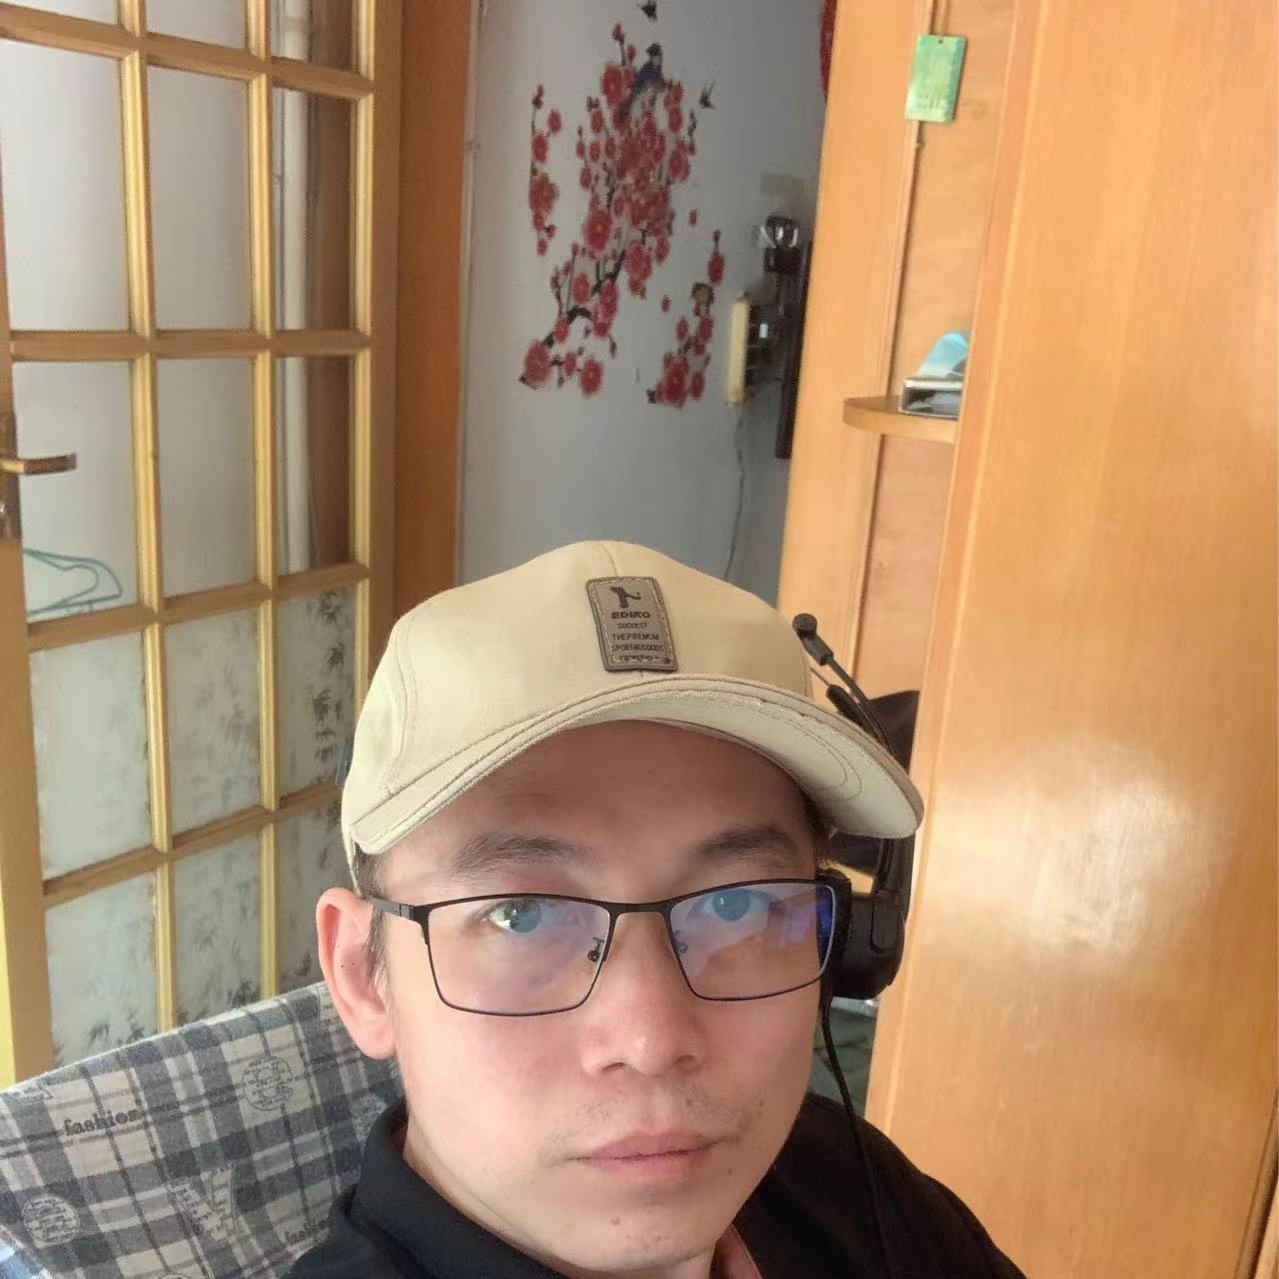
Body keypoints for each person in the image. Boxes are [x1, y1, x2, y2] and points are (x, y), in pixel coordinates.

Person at [289, 540, 1026, 1279]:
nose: (650, 1040)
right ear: (361, 975)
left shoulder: (840, 1175)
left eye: (735, 905)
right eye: (522, 914)